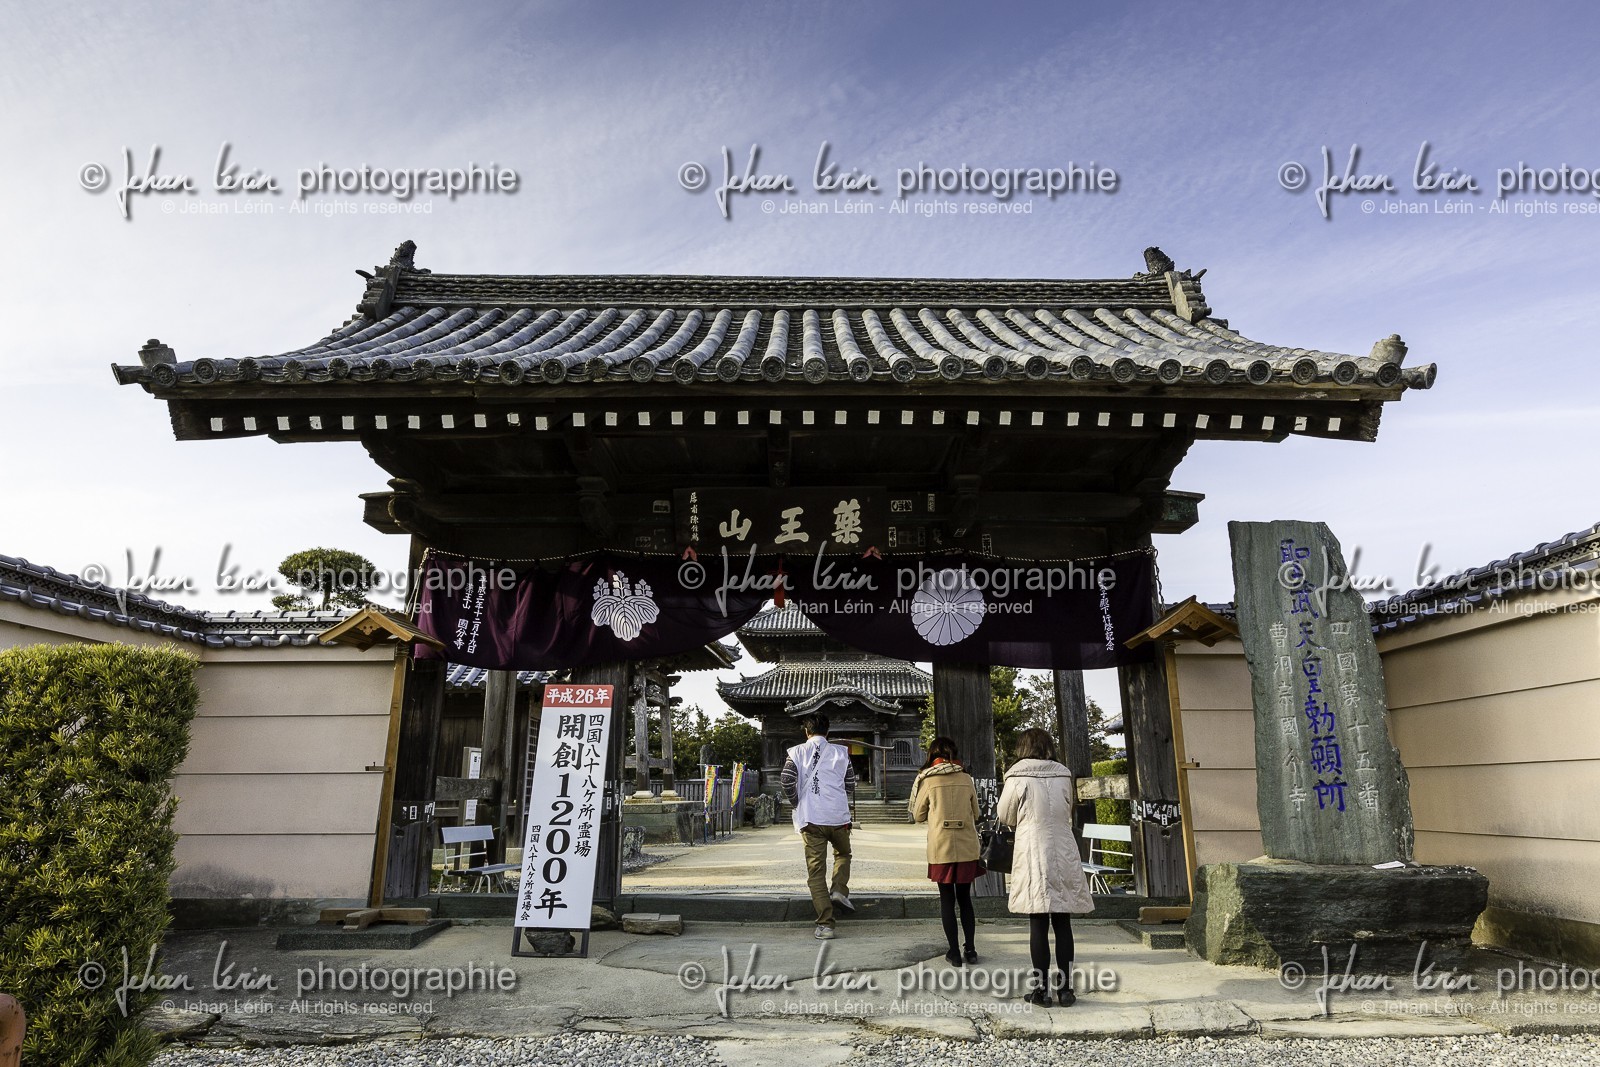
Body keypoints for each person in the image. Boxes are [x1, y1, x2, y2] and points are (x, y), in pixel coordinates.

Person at [997, 727, 1094, 1007]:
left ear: (1023, 748)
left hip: (1033, 849)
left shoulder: (1017, 776)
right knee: (1063, 921)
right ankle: (1066, 990)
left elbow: (1005, 815)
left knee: (1037, 920)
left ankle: (1041, 991)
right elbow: (1068, 808)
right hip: (1063, 847)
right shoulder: (1063, 774)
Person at [908, 736, 984, 966]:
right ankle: (970, 950)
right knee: (965, 900)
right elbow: (977, 812)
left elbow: (918, 815)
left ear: (932, 755)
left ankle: (953, 952)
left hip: (941, 846)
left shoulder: (928, 781)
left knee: (946, 899)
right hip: (966, 845)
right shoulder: (966, 778)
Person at [780, 713, 856, 939]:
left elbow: (786, 780)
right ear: (828, 731)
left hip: (812, 819)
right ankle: (840, 890)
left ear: (806, 731)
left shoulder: (797, 752)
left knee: (816, 872)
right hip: (839, 818)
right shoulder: (841, 752)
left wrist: (797, 802)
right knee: (843, 853)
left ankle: (826, 924)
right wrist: (837, 797)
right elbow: (850, 783)